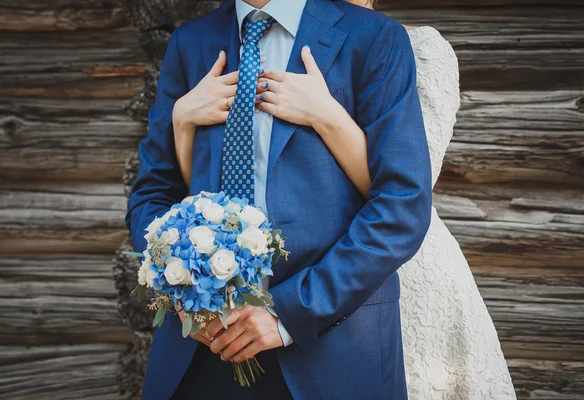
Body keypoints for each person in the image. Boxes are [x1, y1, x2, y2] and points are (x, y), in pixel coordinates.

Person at [172, 0, 518, 399]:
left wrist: (327, 116)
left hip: (365, 286)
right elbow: (169, 188)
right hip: (221, 340)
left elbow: (408, 192)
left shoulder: (388, 40)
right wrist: (182, 121)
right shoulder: (201, 42)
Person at [126, 0, 431, 398]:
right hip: (201, 354)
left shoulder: (374, 38)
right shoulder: (190, 43)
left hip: (330, 350)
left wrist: (285, 313)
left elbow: (402, 205)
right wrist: (183, 295)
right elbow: (151, 195)